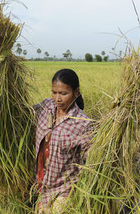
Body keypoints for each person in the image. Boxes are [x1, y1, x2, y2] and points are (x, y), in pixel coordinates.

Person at [34, 69, 92, 213]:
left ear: (76, 92)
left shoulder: (82, 123)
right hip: (42, 184)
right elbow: (22, 114)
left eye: (63, 94)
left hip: (65, 188)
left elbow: (92, 158)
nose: (57, 98)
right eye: (54, 92)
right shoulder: (46, 107)